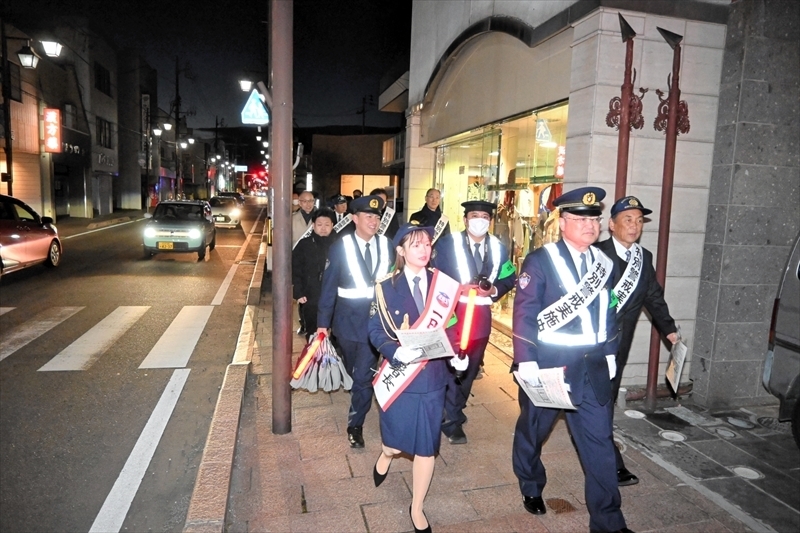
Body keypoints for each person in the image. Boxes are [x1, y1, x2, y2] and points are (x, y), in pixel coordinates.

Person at [512, 186, 633, 533]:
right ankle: (530, 483)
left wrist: (610, 353)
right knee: (534, 432)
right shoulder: (540, 260)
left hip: (592, 368)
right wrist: (526, 360)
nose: (589, 225)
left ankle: (609, 522)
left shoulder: (603, 263)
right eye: (580, 219)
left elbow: (609, 313)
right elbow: (525, 314)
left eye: (594, 219)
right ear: (563, 222)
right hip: (549, 367)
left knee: (600, 445)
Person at [369, 223, 466, 533]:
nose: (423, 250)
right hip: (400, 376)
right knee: (395, 442)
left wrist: (458, 353)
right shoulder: (385, 287)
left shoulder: (444, 286)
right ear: (401, 251)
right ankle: (386, 454)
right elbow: (374, 330)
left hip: (433, 377)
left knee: (426, 446)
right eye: (415, 245)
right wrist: (395, 352)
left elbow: (452, 326)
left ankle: (417, 506)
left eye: (426, 244)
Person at [596, 196, 678, 487]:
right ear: (612, 225)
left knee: (602, 401)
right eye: (628, 219)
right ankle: (611, 463)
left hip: (620, 345)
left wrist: (669, 329)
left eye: (639, 220)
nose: (634, 226)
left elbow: (653, 294)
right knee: (595, 404)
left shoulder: (644, 258)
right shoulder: (595, 255)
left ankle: (603, 453)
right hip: (592, 345)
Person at [431, 200, 517, 444]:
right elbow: (433, 276)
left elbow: (510, 277)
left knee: (470, 368)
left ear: (489, 221)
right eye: (474, 215)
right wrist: (458, 289)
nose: (479, 220)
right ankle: (451, 419)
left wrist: (493, 291)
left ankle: (455, 408)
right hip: (453, 314)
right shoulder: (447, 244)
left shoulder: (499, 248)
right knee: (451, 365)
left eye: (484, 216)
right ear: (466, 219)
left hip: (481, 316)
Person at [317, 195, 395, 448]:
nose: (374, 221)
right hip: (348, 324)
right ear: (354, 218)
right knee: (354, 372)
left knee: (363, 376)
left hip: (379, 325)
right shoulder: (341, 246)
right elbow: (328, 287)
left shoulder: (387, 245)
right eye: (368, 216)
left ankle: (355, 423)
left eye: (377, 216)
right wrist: (322, 325)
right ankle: (359, 393)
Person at [292, 208, 337, 341]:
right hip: (311, 295)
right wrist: (298, 292)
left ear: (332, 225)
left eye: (327, 224)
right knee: (313, 332)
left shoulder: (339, 244)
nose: (323, 228)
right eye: (319, 224)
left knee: (335, 335)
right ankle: (314, 360)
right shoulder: (304, 244)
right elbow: (295, 268)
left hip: (335, 297)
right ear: (313, 225)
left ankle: (334, 361)